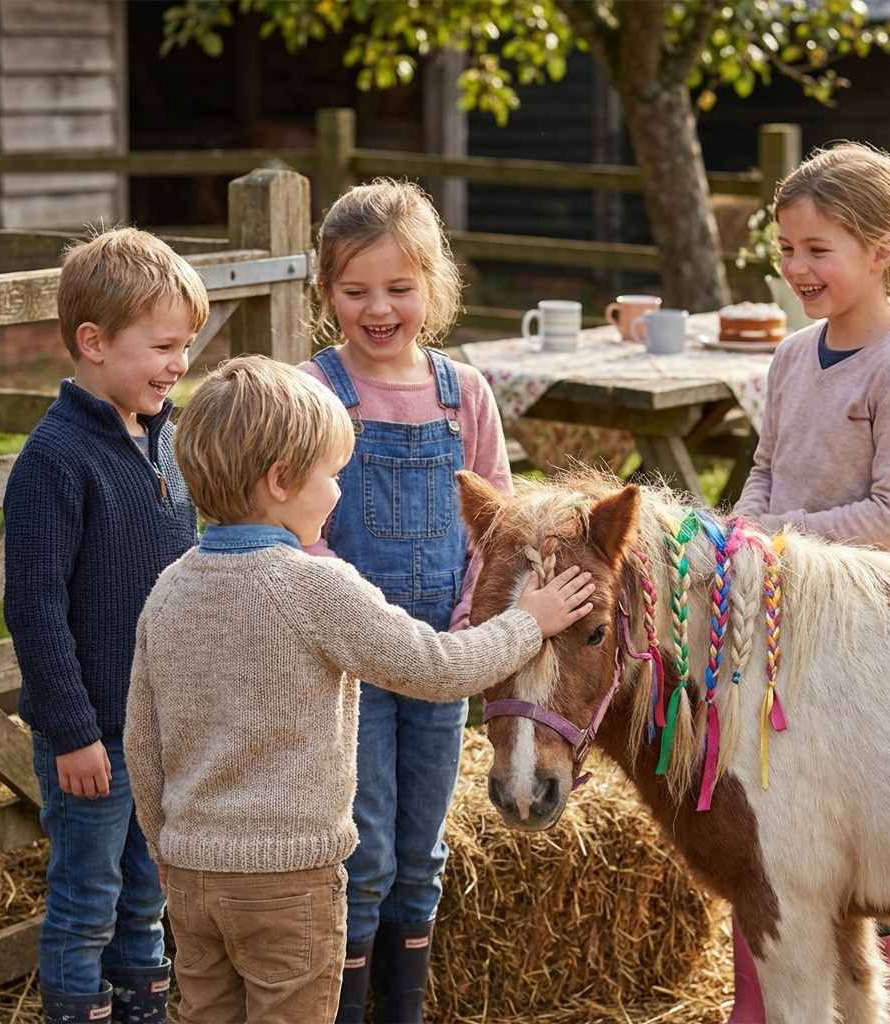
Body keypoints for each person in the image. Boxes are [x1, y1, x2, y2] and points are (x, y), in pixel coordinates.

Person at [123, 356, 594, 1024]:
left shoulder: (169, 588)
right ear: (281, 480)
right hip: (290, 882)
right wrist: (528, 624)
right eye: (332, 475)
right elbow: (438, 668)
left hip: (194, 879)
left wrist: (163, 846)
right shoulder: (315, 586)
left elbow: (141, 741)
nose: (339, 493)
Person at [732, 142, 890, 1020]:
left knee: (865, 830)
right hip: (777, 625)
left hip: (869, 643)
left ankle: (866, 995)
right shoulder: (792, 356)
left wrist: (777, 537)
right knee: (779, 827)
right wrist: (740, 532)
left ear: (883, 251)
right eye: (787, 249)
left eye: (818, 249)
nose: (797, 268)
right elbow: (764, 470)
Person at [298, 179, 512, 1023]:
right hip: (350, 667)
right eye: (355, 291)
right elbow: (295, 525)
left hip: (442, 665)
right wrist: (349, 618)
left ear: (434, 285)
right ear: (327, 292)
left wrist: (468, 621)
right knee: (366, 855)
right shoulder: (315, 391)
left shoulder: (466, 395)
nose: (379, 309)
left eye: (398, 288)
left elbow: (493, 523)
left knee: (420, 856)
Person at [3, 228, 207, 1024]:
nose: (179, 363)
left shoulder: (168, 440)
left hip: (156, 733)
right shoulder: (54, 460)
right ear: (93, 343)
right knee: (87, 902)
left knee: (146, 901)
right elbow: (35, 608)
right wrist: (73, 732)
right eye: (161, 346)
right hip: (91, 739)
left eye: (185, 346)